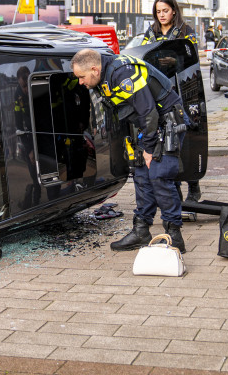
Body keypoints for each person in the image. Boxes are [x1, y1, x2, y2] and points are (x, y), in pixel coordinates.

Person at [72, 47, 189, 252]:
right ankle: (141, 231)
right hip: (146, 126)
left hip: (166, 121)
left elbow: (148, 111)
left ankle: (174, 236)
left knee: (159, 175)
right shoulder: (104, 77)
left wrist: (150, 148)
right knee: (142, 175)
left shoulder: (121, 73)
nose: (80, 82)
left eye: (81, 77)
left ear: (94, 69)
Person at [140, 0, 203, 204]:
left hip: (183, 88)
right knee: (168, 139)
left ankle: (193, 184)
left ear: (173, 10)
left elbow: (190, 56)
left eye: (165, 11)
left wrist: (171, 59)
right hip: (159, 91)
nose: (161, 15)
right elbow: (144, 53)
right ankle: (173, 185)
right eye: (158, 12)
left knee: (189, 137)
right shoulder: (151, 32)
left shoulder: (186, 32)